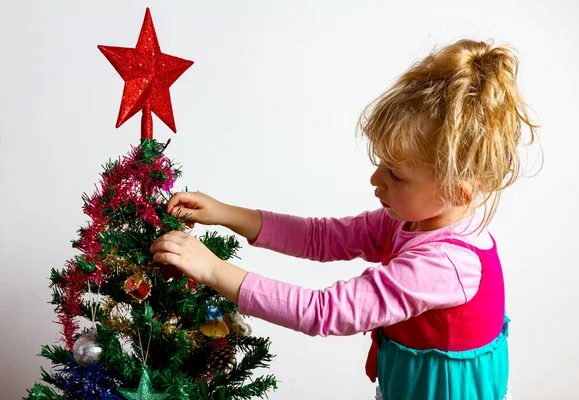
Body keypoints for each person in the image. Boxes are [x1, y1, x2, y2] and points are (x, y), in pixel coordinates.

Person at [150, 39, 540, 399]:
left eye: (396, 175)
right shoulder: (409, 220)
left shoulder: (444, 265)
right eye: (381, 165)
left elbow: (326, 311)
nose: (376, 181)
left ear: (457, 191)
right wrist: (228, 213)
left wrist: (215, 271)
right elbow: (320, 238)